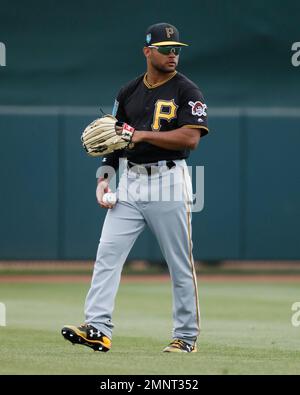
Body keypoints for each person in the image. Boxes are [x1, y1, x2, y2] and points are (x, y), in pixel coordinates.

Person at [62, 22, 209, 353]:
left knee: (179, 262)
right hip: (129, 181)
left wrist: (141, 135)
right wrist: (104, 179)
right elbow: (114, 141)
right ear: (148, 51)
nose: (174, 54)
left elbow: (190, 138)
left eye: (178, 49)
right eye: (166, 48)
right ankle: (98, 328)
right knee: (107, 255)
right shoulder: (128, 92)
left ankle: (185, 336)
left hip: (169, 179)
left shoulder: (188, 90)